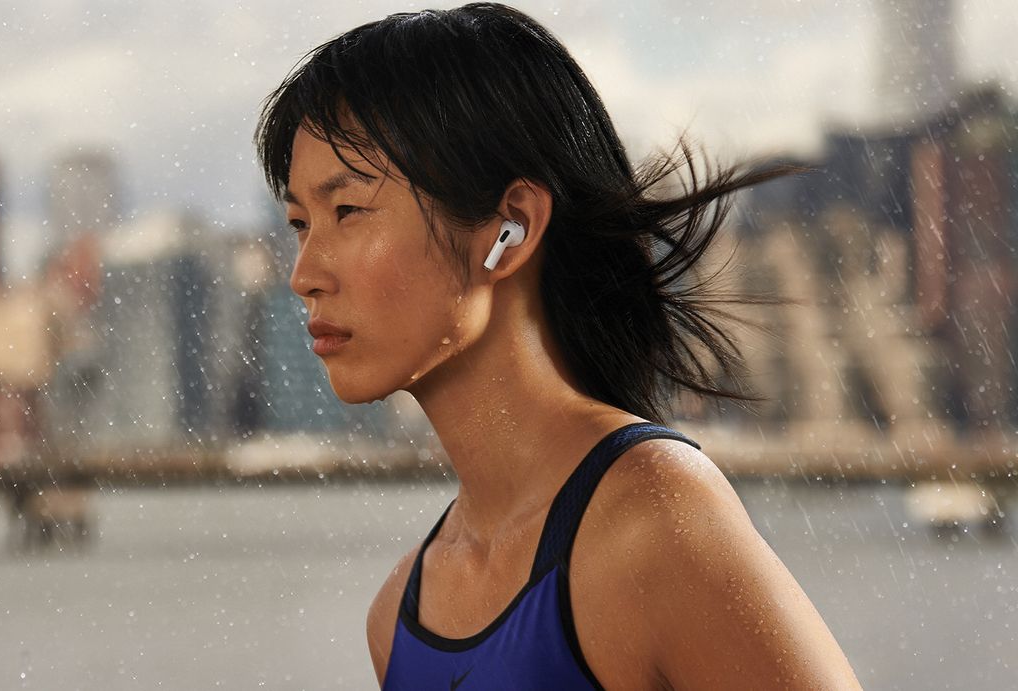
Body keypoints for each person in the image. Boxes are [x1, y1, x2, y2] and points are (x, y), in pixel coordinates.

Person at [254, 3, 862, 689]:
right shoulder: (398, 617)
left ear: (510, 226)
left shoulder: (654, 519)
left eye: (347, 211)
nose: (304, 274)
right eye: (301, 223)